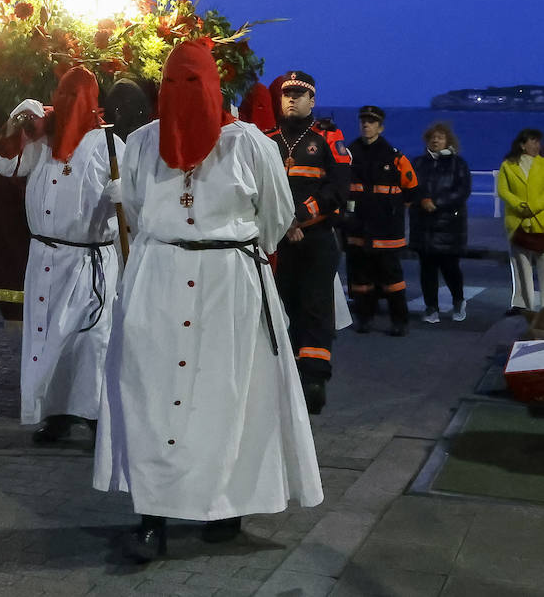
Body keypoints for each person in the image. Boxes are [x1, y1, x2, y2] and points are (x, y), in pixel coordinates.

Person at [93, 41, 322, 561]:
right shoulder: (144, 142)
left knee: (228, 398)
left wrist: (232, 251)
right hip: (160, 280)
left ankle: (226, 507)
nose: (182, 96)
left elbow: (277, 216)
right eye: (171, 85)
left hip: (229, 284)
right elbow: (133, 205)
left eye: (193, 84)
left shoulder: (249, 145)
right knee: (151, 394)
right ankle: (151, 516)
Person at [0, 66, 122, 445]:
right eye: (62, 96)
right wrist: (18, 125)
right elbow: (6, 165)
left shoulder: (109, 146)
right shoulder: (43, 143)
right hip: (45, 258)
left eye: (75, 98)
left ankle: (98, 414)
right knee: (49, 338)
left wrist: (126, 196)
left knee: (92, 338)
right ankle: (58, 414)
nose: (67, 105)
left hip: (89, 262)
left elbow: (135, 201)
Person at [264, 71, 351, 415]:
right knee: (281, 306)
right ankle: (284, 375)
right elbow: (261, 188)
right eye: (286, 94)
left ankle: (314, 380)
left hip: (315, 237)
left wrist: (298, 217)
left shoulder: (329, 138)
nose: (291, 99)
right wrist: (283, 223)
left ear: (312, 101)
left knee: (315, 308)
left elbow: (338, 189)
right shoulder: (267, 139)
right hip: (278, 238)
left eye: (299, 94)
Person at [346, 106, 421, 336]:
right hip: (357, 227)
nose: (366, 125)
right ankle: (364, 318)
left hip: (387, 231)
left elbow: (412, 189)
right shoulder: (350, 153)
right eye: (363, 121)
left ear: (381, 127)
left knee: (392, 280)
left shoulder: (394, 156)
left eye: (371, 122)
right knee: (360, 278)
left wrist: (392, 211)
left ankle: (399, 321)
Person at [409, 123, 472, 323]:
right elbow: (411, 185)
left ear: (448, 141)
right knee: (427, 269)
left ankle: (459, 300)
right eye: (432, 137)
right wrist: (423, 200)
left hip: (449, 225)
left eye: (440, 137)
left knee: (450, 267)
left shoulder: (458, 164)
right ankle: (431, 308)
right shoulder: (418, 163)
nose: (435, 141)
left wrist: (438, 203)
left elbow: (462, 191)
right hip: (423, 225)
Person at [496, 128, 544, 313]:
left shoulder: (543, 164)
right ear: (523, 144)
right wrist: (519, 205)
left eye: (538, 141)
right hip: (517, 221)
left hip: (540, 220)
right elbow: (503, 190)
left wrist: (533, 207)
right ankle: (523, 304)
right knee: (520, 263)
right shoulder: (508, 165)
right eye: (533, 141)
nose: (537, 145)